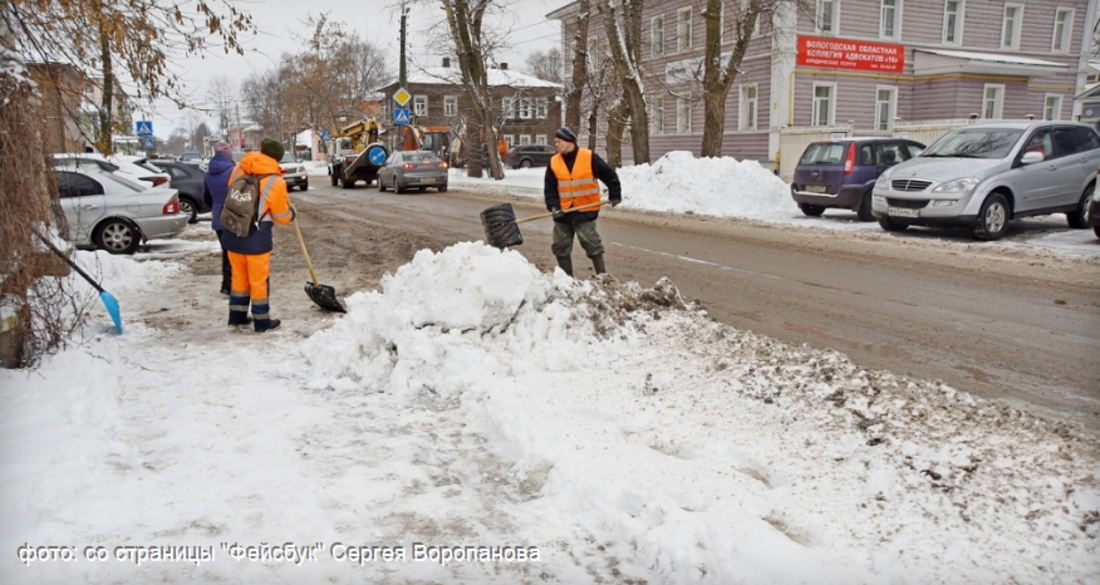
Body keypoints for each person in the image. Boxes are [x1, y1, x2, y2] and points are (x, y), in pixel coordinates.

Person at [221, 138, 295, 333]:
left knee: (239, 277)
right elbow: (281, 217)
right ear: (277, 159)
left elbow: (232, 192)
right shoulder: (275, 181)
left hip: (233, 231)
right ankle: (262, 321)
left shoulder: (239, 168)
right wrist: (291, 214)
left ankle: (237, 317)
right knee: (258, 281)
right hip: (256, 238)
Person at [543, 127, 621, 277]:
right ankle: (567, 280)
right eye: (556, 142)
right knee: (560, 247)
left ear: (569, 141)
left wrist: (615, 194)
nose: (556, 145)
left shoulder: (589, 157)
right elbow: (550, 190)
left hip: (585, 212)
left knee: (593, 245)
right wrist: (554, 207)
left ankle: (603, 278)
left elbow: (610, 175)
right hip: (563, 213)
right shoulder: (554, 162)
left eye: (559, 142)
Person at [202, 141, 235, 295]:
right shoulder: (235, 172)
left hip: (218, 219)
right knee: (236, 252)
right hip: (234, 217)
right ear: (229, 155)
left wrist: (216, 206)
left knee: (226, 251)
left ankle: (226, 284)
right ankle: (232, 285)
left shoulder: (208, 175)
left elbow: (206, 200)